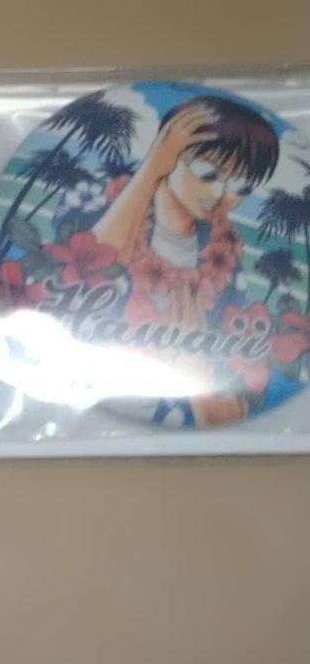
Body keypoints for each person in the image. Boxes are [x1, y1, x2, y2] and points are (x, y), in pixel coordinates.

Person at [91, 95, 279, 425]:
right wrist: (152, 168)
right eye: (208, 174)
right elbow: (92, 262)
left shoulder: (226, 258)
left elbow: (228, 412)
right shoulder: (98, 206)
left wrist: (194, 364)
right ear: (166, 155)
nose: (221, 195)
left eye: (241, 187)